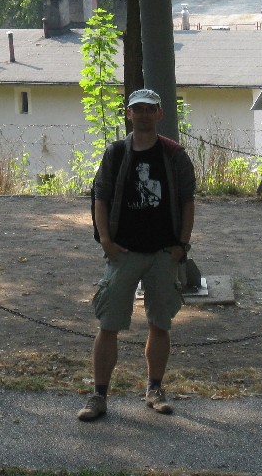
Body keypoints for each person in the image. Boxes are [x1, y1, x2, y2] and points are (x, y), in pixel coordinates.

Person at [78, 88, 196, 422]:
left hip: (163, 253)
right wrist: (105, 240)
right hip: (123, 252)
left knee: (160, 323)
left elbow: (188, 201)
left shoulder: (174, 155)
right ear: (128, 114)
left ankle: (155, 389)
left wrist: (182, 245)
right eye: (138, 109)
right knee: (108, 324)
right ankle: (99, 395)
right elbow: (100, 197)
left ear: (160, 114)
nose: (143, 114)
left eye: (149, 109)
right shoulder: (116, 153)